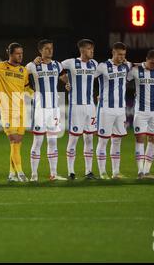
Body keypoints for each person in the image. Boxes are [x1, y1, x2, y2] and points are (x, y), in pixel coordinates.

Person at [0, 43, 32, 182]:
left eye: (21, 53)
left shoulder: (23, 71)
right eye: (17, 53)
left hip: (21, 108)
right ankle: (20, 172)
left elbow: (26, 88)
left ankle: (11, 174)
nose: (20, 56)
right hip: (6, 108)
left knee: (17, 143)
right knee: (14, 139)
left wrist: (36, 95)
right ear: (10, 53)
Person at [27, 39, 66, 182]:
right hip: (39, 109)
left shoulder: (57, 65)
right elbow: (20, 76)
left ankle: (53, 174)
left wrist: (68, 84)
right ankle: (34, 175)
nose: (50, 50)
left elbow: (64, 78)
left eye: (51, 48)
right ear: (40, 51)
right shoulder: (32, 65)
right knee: (37, 141)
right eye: (47, 48)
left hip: (54, 109)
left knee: (53, 142)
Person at [61, 39, 98, 180]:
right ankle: (71, 172)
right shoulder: (70, 63)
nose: (92, 51)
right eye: (89, 49)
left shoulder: (94, 64)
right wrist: (66, 82)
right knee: (74, 139)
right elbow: (53, 68)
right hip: (76, 106)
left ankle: (89, 171)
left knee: (89, 138)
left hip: (90, 107)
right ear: (82, 50)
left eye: (92, 49)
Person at [94, 42, 132, 179]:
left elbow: (140, 65)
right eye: (119, 54)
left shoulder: (126, 66)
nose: (122, 57)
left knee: (117, 141)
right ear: (113, 53)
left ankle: (116, 172)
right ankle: (103, 172)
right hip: (105, 109)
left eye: (124, 55)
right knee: (103, 141)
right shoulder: (103, 66)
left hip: (120, 110)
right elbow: (87, 79)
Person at [127, 49, 154, 179]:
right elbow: (121, 82)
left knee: (153, 139)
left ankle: (147, 171)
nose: (153, 65)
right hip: (140, 111)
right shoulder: (135, 71)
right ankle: (140, 172)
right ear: (146, 59)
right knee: (140, 138)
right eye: (151, 63)